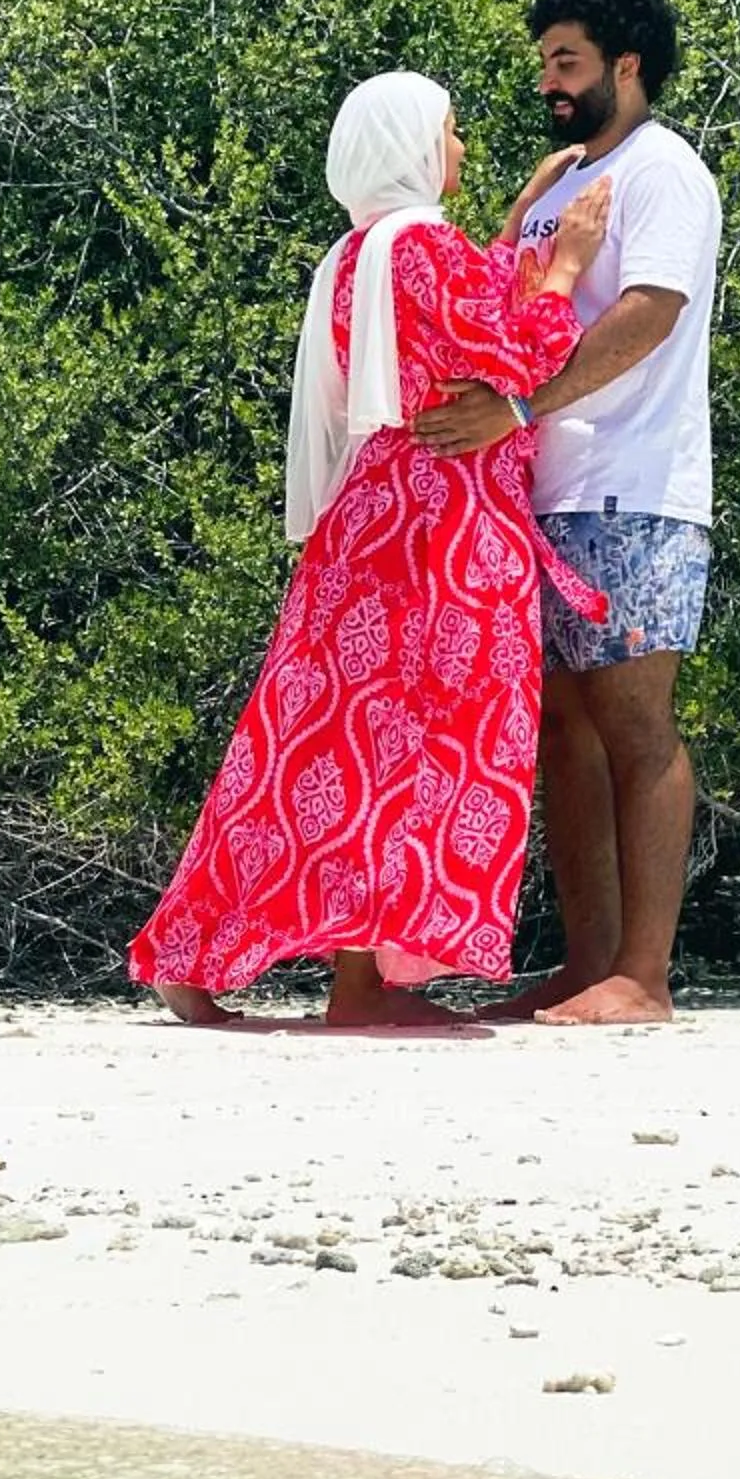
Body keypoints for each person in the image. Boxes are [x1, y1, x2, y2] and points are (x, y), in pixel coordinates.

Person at [127, 71, 611, 1030]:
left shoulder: (359, 254)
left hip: (368, 523)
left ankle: (197, 953)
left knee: (315, 745)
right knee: (433, 744)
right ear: (411, 146)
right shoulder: (421, 245)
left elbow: (457, 322)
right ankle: (368, 985)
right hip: (444, 531)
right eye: (451, 130)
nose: (461, 147)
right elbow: (517, 355)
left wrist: (514, 223)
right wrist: (564, 268)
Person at [415, 0, 719, 1025]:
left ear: (625, 67)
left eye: (567, 61)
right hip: (533, 496)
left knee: (636, 724)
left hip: (633, 489)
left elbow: (651, 312)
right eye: (543, 60)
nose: (547, 79)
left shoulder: (664, 171)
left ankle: (646, 975)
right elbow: (498, 294)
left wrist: (521, 403)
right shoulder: (555, 177)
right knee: (558, 732)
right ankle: (589, 963)